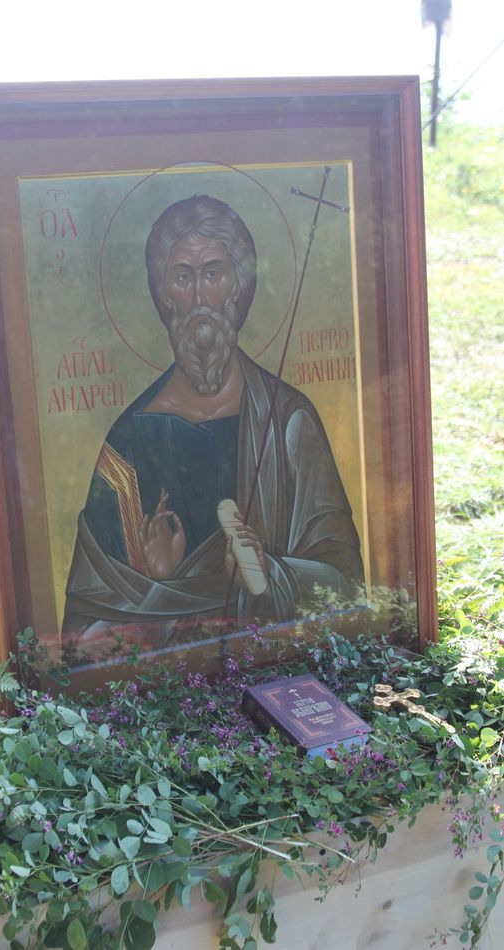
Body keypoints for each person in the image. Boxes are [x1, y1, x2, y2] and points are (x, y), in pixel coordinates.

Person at [62, 195, 363, 651]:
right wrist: (158, 583)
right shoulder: (129, 443)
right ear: (164, 294)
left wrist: (269, 573)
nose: (200, 297)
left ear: (238, 287)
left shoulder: (288, 423)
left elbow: (347, 584)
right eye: (183, 277)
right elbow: (82, 633)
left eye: (213, 274)